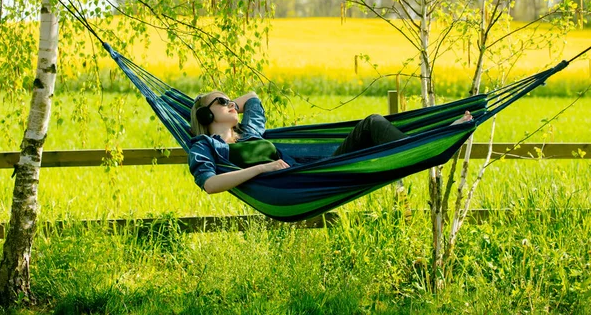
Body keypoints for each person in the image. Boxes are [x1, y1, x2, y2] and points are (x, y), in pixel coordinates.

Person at [188, 91, 472, 194]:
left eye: (229, 101)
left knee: (372, 125)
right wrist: (261, 169)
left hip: (318, 168)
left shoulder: (249, 134)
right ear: (204, 114)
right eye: (223, 102)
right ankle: (426, 147)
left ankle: (428, 145)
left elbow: (251, 98)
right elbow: (210, 185)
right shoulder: (206, 145)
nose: (231, 105)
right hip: (298, 183)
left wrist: (225, 104)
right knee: (372, 123)